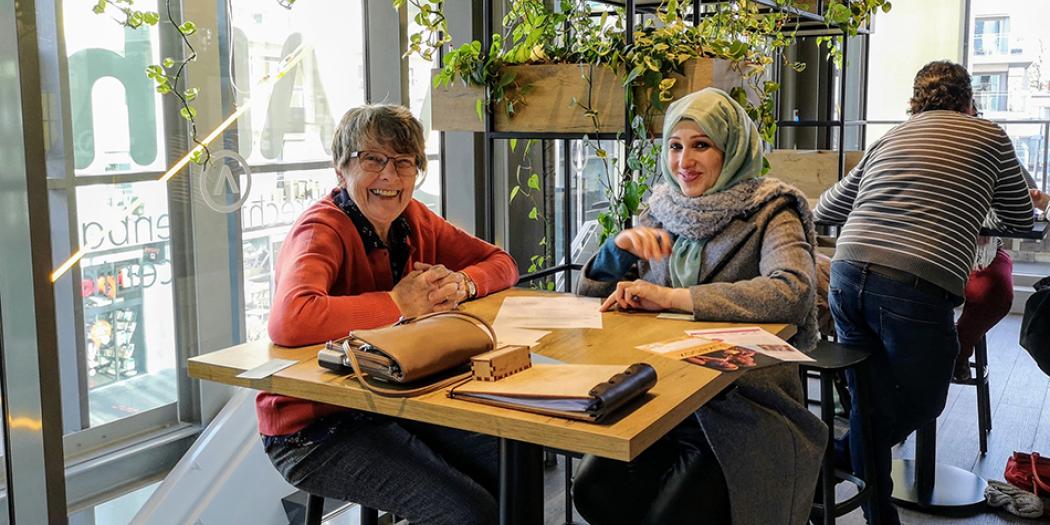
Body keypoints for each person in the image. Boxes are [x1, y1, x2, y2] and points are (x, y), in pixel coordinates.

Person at [573, 87, 827, 525]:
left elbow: (792, 290)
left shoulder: (771, 209)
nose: (683, 162)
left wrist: (672, 299)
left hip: (740, 404)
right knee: (592, 491)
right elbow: (590, 299)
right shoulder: (661, 208)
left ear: (731, 150)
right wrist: (616, 252)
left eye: (701, 145)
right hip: (657, 395)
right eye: (675, 146)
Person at [257, 104, 518, 525]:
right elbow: (291, 318)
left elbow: (501, 262)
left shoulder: (413, 219)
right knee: (468, 514)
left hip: (396, 401)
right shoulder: (321, 228)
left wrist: (463, 283)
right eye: (372, 159)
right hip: (314, 429)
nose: (389, 176)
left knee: (513, 476)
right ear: (341, 169)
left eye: (403, 163)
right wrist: (398, 303)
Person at [814, 60, 1035, 524]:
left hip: (846, 276)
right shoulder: (991, 137)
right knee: (927, 399)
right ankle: (835, 453)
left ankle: (849, 475)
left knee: (868, 404)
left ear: (916, 102)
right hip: (913, 287)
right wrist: (967, 215)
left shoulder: (891, 136)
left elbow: (829, 206)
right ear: (969, 101)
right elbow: (1021, 217)